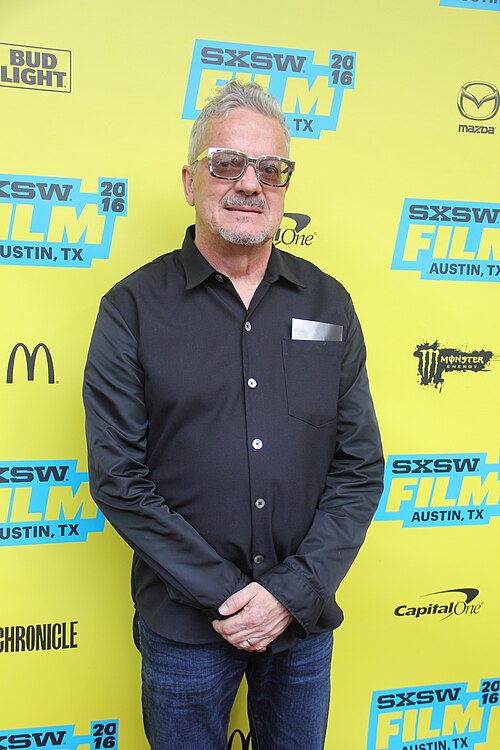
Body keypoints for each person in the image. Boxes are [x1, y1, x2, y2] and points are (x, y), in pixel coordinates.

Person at [83, 80, 384, 750]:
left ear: (283, 187)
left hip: (301, 623)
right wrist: (229, 595)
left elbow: (359, 468)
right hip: (186, 630)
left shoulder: (330, 304)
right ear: (190, 182)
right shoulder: (131, 309)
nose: (250, 183)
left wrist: (289, 593)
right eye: (227, 164)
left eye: (270, 170)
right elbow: (119, 480)